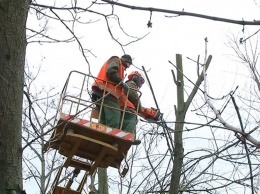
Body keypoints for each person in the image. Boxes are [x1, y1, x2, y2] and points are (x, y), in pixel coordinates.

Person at [91, 54, 132, 129]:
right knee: (114, 119)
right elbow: (111, 72)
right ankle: (110, 139)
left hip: (99, 92)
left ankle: (101, 136)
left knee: (103, 120)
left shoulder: (119, 65)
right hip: (108, 93)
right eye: (129, 64)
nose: (128, 67)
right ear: (125, 60)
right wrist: (121, 83)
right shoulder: (117, 60)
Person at [119, 71, 145, 144]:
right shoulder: (131, 83)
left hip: (122, 104)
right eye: (140, 81)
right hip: (125, 105)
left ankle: (123, 135)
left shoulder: (127, 84)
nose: (140, 84)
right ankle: (129, 137)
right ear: (136, 78)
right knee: (131, 117)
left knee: (124, 121)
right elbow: (133, 95)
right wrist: (139, 108)